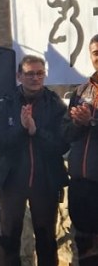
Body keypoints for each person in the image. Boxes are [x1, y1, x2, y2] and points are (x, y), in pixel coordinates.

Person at [0, 55, 68, 266]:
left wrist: (36, 131)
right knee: (8, 239)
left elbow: (62, 144)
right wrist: (21, 129)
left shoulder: (55, 105)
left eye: (39, 73)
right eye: (30, 73)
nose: (35, 78)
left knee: (46, 241)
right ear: (19, 76)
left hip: (45, 181)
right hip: (12, 182)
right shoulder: (5, 103)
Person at [62, 34, 98, 265]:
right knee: (85, 249)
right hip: (81, 183)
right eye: (95, 53)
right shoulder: (80, 91)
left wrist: (92, 121)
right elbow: (66, 135)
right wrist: (77, 123)